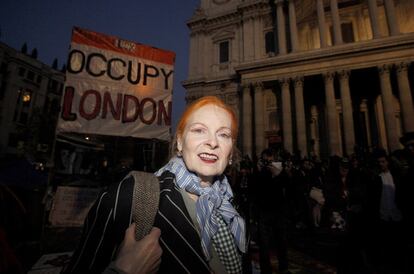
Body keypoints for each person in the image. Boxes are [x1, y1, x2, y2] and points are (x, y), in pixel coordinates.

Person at [63, 96, 246, 274]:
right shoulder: (130, 196)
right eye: (199, 130)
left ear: (230, 152)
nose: (212, 142)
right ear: (180, 142)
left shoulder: (230, 203)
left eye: (223, 134)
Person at [252, 149, 290, 274]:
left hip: (278, 211)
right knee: (264, 244)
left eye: (271, 160)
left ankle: (283, 267)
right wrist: (258, 171)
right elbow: (255, 191)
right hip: (265, 212)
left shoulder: (281, 172)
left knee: (281, 241)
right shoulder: (260, 173)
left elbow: (289, 186)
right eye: (266, 160)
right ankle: (265, 269)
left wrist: (279, 174)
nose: (269, 163)